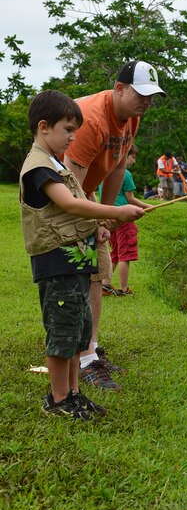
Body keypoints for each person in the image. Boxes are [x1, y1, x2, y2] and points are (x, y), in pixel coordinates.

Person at [19, 90, 144, 420]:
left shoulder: (58, 164)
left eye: (76, 130)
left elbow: (78, 208)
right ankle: (58, 399)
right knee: (62, 331)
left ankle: (74, 393)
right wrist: (114, 213)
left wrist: (98, 227)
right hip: (57, 262)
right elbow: (70, 203)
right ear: (44, 127)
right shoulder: (38, 167)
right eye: (68, 130)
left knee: (78, 329)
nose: (74, 137)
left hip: (78, 257)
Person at [64, 60, 166, 391]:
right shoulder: (90, 120)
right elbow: (69, 184)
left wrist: (107, 212)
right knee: (77, 272)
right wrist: (97, 218)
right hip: (60, 196)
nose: (147, 102)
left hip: (86, 193)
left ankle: (90, 348)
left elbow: (118, 165)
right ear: (119, 89)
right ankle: (81, 355)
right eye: (141, 94)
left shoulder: (131, 117)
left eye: (152, 96)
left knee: (96, 272)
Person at [101, 144, 152, 296]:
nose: (133, 161)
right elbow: (131, 199)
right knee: (126, 254)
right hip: (124, 217)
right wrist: (148, 206)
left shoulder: (105, 172)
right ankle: (123, 289)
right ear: (125, 155)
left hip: (109, 216)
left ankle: (105, 284)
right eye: (132, 157)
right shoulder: (125, 174)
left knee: (115, 252)